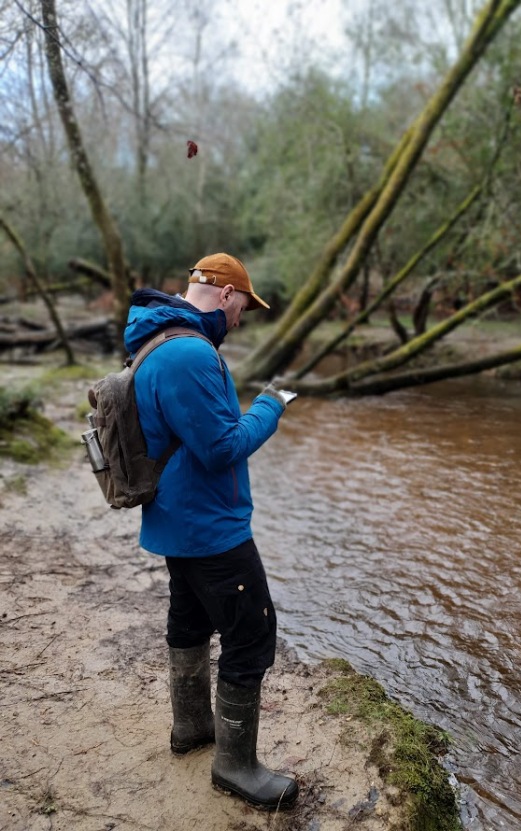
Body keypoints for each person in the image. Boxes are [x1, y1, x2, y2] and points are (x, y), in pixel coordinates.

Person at [123, 252, 299, 810]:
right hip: (211, 529)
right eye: (243, 306)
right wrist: (270, 406)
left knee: (191, 619)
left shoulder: (158, 341)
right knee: (251, 636)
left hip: (177, 520)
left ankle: (192, 728)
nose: (242, 318)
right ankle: (236, 767)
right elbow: (221, 447)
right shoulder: (190, 354)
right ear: (224, 294)